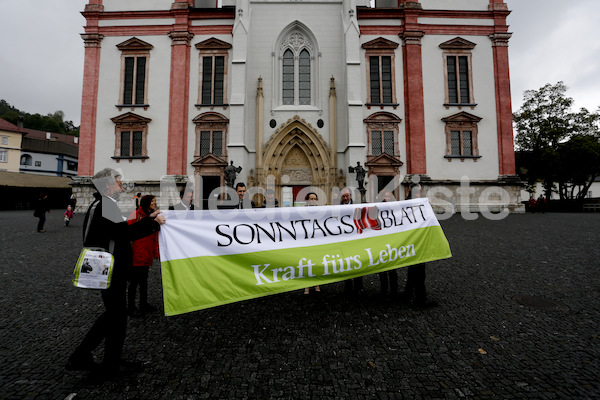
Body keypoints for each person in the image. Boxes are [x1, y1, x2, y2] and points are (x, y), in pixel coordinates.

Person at [66, 168, 166, 377]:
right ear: (108, 185)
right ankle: (101, 360)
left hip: (106, 268)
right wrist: (153, 223)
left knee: (114, 315)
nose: (121, 186)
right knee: (116, 315)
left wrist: (149, 218)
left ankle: (89, 357)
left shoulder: (99, 204)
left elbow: (116, 231)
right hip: (111, 270)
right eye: (118, 183)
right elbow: (125, 233)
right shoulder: (106, 205)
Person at [403, 183, 436, 308]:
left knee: (412, 271)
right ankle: (420, 300)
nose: (420, 194)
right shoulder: (412, 205)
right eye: (419, 191)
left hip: (414, 242)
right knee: (419, 272)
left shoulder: (409, 204)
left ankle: (408, 295)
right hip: (417, 242)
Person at [127, 195, 160, 317]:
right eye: (152, 201)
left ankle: (143, 303)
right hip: (136, 252)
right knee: (134, 281)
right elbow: (128, 231)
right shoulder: (136, 215)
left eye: (155, 201)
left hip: (147, 252)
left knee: (144, 280)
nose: (154, 203)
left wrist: (155, 251)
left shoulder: (153, 215)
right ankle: (131, 307)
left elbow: (155, 235)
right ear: (146, 202)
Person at [340, 188, 363, 296]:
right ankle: (347, 287)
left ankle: (359, 286)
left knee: (358, 262)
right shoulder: (337, 208)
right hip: (345, 240)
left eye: (347, 196)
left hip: (356, 239)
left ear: (350, 196)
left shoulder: (358, 206)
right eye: (343, 196)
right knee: (347, 264)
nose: (345, 198)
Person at [378, 190, 398, 299]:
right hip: (382, 242)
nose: (386, 198)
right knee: (382, 269)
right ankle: (384, 290)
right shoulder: (376, 209)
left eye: (388, 196)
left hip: (392, 242)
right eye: (384, 196)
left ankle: (394, 291)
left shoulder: (396, 209)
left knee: (393, 268)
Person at [303, 192, 321, 295]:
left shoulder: (320, 211)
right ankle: (306, 285)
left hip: (316, 240)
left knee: (316, 262)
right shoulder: (302, 211)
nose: (313, 200)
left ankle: (316, 283)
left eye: (314, 199)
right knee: (307, 263)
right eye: (311, 199)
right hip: (307, 240)